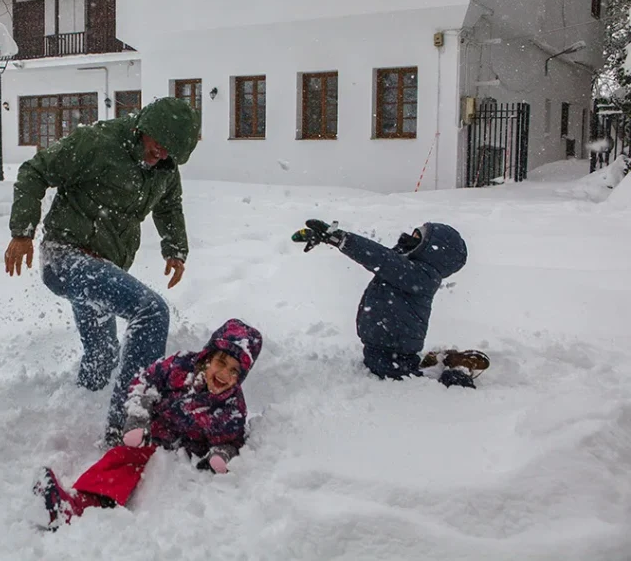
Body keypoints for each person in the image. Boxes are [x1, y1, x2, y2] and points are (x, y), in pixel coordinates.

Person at [4, 97, 201, 443]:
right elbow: (34, 171)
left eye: (170, 153)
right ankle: (128, 424)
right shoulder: (96, 143)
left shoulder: (165, 168)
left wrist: (176, 250)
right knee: (150, 311)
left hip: (105, 267)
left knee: (104, 354)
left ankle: (83, 405)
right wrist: (22, 233)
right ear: (144, 130)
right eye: (158, 147)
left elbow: (170, 207)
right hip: (65, 257)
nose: (162, 157)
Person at [32, 319, 262, 529]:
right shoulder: (181, 366)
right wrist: (138, 419)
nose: (224, 374)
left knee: (148, 471)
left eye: (234, 371)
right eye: (221, 362)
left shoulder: (231, 408)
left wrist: (220, 455)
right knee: (123, 458)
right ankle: (78, 504)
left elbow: (232, 441)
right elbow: (144, 382)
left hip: (184, 455)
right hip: (151, 432)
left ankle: (87, 508)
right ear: (208, 356)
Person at [291, 220, 489, 388]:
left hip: (392, 351)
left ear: (433, 251)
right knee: (395, 371)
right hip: (385, 347)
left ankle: (453, 376)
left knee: (409, 381)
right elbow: (385, 257)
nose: (411, 237)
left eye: (418, 237)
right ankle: (438, 361)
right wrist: (328, 238)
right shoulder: (409, 269)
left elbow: (380, 257)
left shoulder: (419, 276)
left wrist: (339, 239)